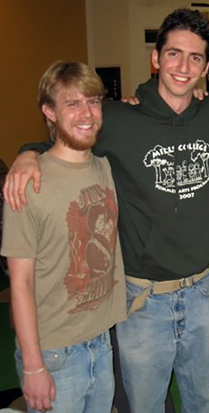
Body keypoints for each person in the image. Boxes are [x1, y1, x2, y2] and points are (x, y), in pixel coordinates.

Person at [4, 8, 209, 413]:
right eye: (174, 54)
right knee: (145, 406)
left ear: (205, 67)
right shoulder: (117, 118)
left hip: (204, 292)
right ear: (156, 58)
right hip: (142, 299)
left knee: (206, 403)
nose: (183, 67)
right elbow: (68, 139)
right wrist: (29, 153)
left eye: (195, 57)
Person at [1, 61, 126, 412]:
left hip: (101, 342)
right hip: (54, 353)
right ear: (49, 112)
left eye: (93, 101)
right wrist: (33, 365)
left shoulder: (104, 167)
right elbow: (20, 283)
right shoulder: (27, 184)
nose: (87, 113)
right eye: (72, 104)